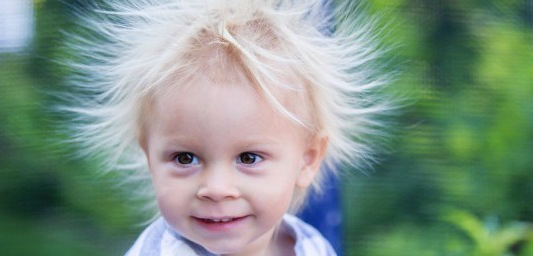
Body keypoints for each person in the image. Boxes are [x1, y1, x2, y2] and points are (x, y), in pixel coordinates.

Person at [64, 0, 393, 255]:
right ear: (149, 156)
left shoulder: (310, 246)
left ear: (307, 160)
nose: (216, 188)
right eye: (185, 158)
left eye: (248, 158)